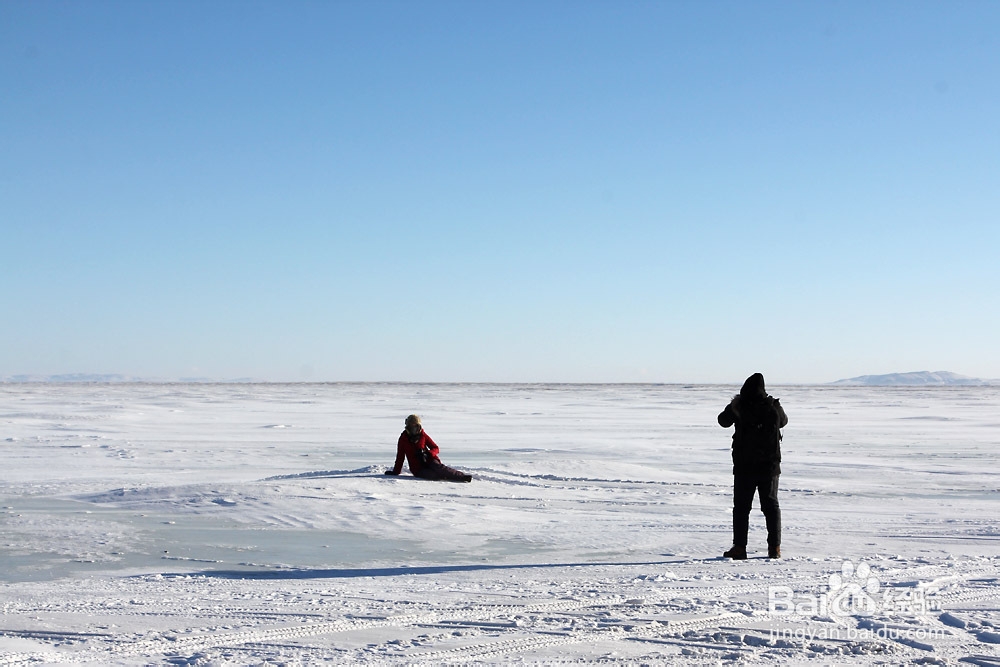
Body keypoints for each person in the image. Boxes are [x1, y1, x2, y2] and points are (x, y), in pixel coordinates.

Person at [718, 373, 787, 559]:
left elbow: (722, 421)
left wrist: (733, 406)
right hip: (770, 466)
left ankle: (740, 547)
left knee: (741, 508)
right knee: (771, 506)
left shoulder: (739, 405)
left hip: (745, 465)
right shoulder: (772, 405)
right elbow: (784, 421)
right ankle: (775, 548)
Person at [384, 414, 472, 482]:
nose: (413, 428)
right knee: (433, 476)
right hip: (417, 468)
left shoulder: (423, 435)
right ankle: (446, 476)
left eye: (415, 426)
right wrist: (396, 472)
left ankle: (462, 477)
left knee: (439, 468)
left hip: (429, 460)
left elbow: (435, 448)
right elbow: (400, 457)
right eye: (411, 426)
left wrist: (429, 454)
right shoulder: (403, 439)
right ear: (407, 426)